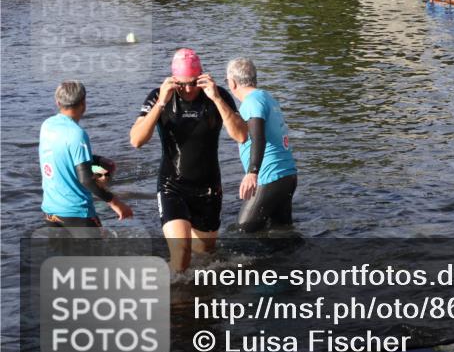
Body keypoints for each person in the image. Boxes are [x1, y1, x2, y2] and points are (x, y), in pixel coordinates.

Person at [130, 49, 246, 272]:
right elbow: (136, 140)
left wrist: (217, 99)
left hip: (208, 188)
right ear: (173, 80)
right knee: (181, 251)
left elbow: (241, 135)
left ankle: (197, 298)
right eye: (182, 84)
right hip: (172, 185)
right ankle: (173, 300)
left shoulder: (216, 95)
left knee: (206, 258)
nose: (188, 89)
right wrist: (161, 104)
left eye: (194, 82)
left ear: (202, 76)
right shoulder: (159, 96)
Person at [40, 81, 133, 230]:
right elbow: (86, 180)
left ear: (57, 102)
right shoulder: (77, 134)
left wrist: (98, 160)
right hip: (77, 214)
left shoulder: (47, 125)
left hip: (50, 213)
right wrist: (116, 204)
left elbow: (65, 156)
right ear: (83, 103)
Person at [226, 58, 299, 232]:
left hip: (270, 178)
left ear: (232, 83)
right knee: (281, 233)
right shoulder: (266, 97)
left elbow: (258, 138)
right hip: (287, 176)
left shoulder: (252, 102)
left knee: (242, 232)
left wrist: (252, 173)